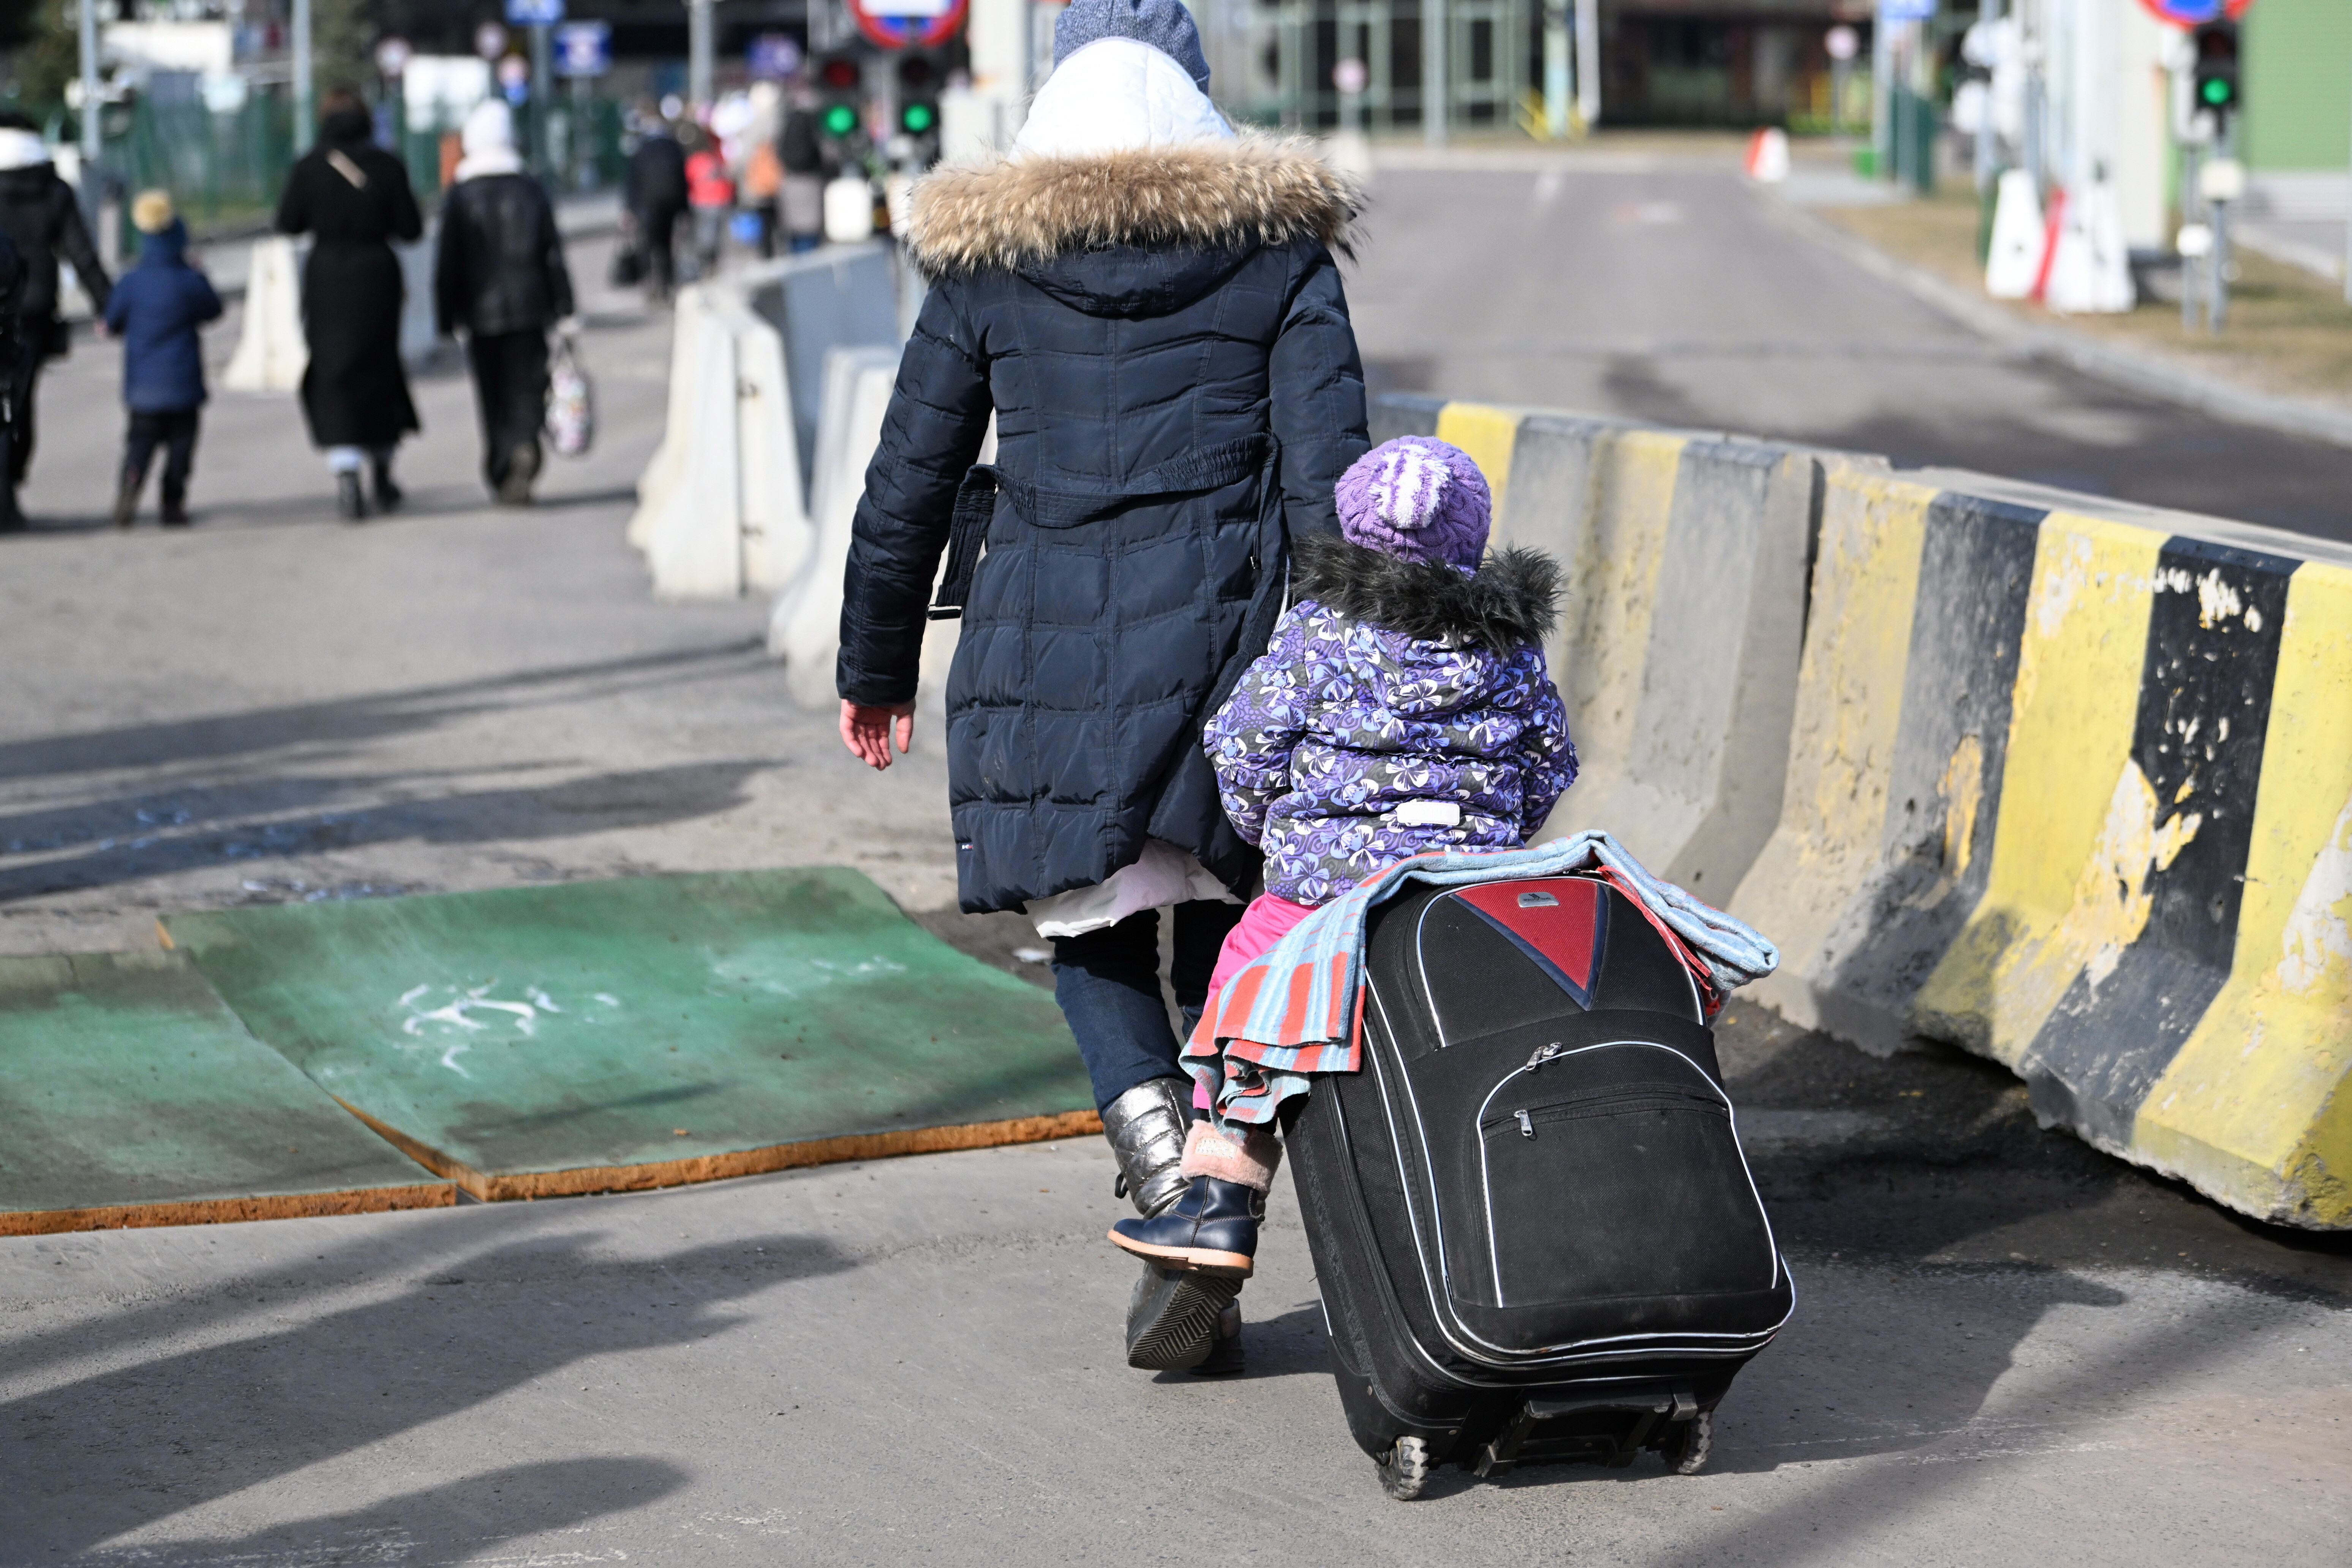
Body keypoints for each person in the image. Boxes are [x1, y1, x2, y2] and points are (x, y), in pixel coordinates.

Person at [833, 0, 1368, 1375]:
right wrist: (1355, 665)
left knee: (1090, 932)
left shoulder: (990, 265)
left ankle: (1166, 1183)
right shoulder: (1281, 253)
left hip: (1044, 652)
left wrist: (875, 664)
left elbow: (910, 477)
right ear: (1199, 96)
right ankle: (1220, 1168)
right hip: (1232, 649)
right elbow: (1331, 485)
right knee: (1240, 933)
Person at [1109, 435, 1576, 1280]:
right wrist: (1498, 835)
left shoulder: (1322, 630)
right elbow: (1549, 764)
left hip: (1327, 891)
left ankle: (1219, 1207)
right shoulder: (1510, 645)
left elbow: (1244, 743)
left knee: (1244, 994)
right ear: (1474, 535)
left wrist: (1271, 837)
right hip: (1465, 892)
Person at [275, 85, 423, 522]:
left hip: (327, 281)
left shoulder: (309, 167)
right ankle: (382, 467)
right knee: (380, 369)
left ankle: (346, 475)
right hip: (377, 277)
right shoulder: (387, 165)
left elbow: (288, 223)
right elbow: (410, 229)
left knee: (334, 372)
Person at [434, 100, 577, 506]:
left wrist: (446, 317)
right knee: (528, 383)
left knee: (492, 392)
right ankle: (525, 442)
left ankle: (501, 463)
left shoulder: (462, 194)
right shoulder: (530, 188)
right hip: (532, 307)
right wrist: (565, 307)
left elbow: (449, 261)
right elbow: (552, 252)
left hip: (481, 312)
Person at [0, 111, 108, 526]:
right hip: (34, 313)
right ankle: (11, 484)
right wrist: (107, 305)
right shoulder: (53, 190)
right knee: (21, 404)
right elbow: (80, 253)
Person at [104, 191, 223, 528]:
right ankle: (173, 503)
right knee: (180, 451)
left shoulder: (131, 282)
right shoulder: (189, 281)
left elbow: (111, 322)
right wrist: (199, 274)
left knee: (139, 445)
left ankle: (130, 481)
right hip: (184, 386)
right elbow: (214, 309)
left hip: (143, 389)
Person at [622, 109, 688, 300]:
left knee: (649, 244)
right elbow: (682, 180)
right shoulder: (673, 147)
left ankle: (651, 282)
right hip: (671, 203)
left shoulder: (641, 148)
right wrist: (685, 209)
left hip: (648, 204)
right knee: (666, 245)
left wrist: (629, 209)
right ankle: (666, 283)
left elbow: (632, 181)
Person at [776, 86, 828, 254]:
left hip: (790, 181)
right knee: (810, 230)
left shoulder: (787, 124)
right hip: (811, 182)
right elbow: (824, 152)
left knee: (794, 231)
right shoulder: (813, 124)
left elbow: (779, 151)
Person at [684, 127, 735, 279]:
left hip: (704, 202)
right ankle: (710, 263)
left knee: (705, 235)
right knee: (713, 236)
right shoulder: (715, 159)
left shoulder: (696, 160)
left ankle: (707, 263)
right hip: (715, 201)